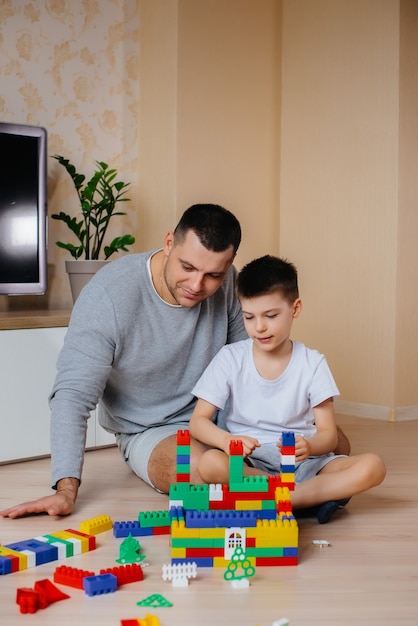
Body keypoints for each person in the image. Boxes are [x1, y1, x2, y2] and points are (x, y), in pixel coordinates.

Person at [0, 209, 351, 520]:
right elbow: (72, 395)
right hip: (154, 428)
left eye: (213, 275)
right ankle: (300, 496)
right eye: (187, 267)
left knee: (337, 443)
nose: (197, 285)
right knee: (196, 471)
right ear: (169, 242)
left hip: (224, 416)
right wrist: (65, 490)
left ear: (229, 264)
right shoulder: (108, 295)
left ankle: (280, 493)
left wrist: (288, 428)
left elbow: (254, 365)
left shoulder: (231, 283)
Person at [189, 255, 386, 523]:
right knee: (210, 464)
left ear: (295, 309)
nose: (259, 327)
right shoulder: (230, 358)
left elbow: (328, 434)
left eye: (270, 316)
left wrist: (310, 446)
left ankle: (286, 499)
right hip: (253, 463)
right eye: (249, 317)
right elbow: (198, 422)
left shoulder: (312, 363)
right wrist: (227, 441)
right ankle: (310, 499)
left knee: (373, 466)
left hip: (304, 464)